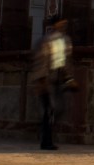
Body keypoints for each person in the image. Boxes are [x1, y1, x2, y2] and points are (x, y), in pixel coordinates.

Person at [31, 15, 74, 150]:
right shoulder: (46, 40)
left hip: (57, 79)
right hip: (47, 80)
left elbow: (65, 61)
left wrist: (69, 79)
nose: (63, 26)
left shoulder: (64, 40)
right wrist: (42, 80)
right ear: (55, 25)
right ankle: (46, 141)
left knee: (58, 109)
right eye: (61, 24)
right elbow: (41, 60)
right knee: (49, 110)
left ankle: (45, 131)